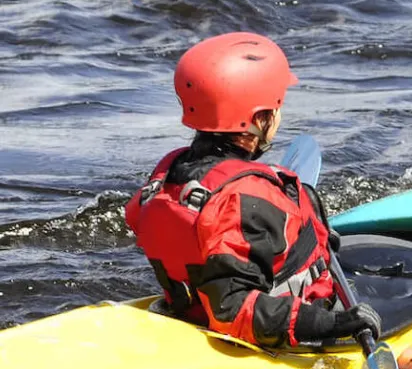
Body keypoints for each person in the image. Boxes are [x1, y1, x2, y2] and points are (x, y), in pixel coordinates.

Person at [125, 32, 382, 348]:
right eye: (276, 106)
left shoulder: (167, 176)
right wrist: (333, 324)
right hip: (268, 332)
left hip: (191, 308)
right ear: (260, 118)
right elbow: (234, 310)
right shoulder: (247, 199)